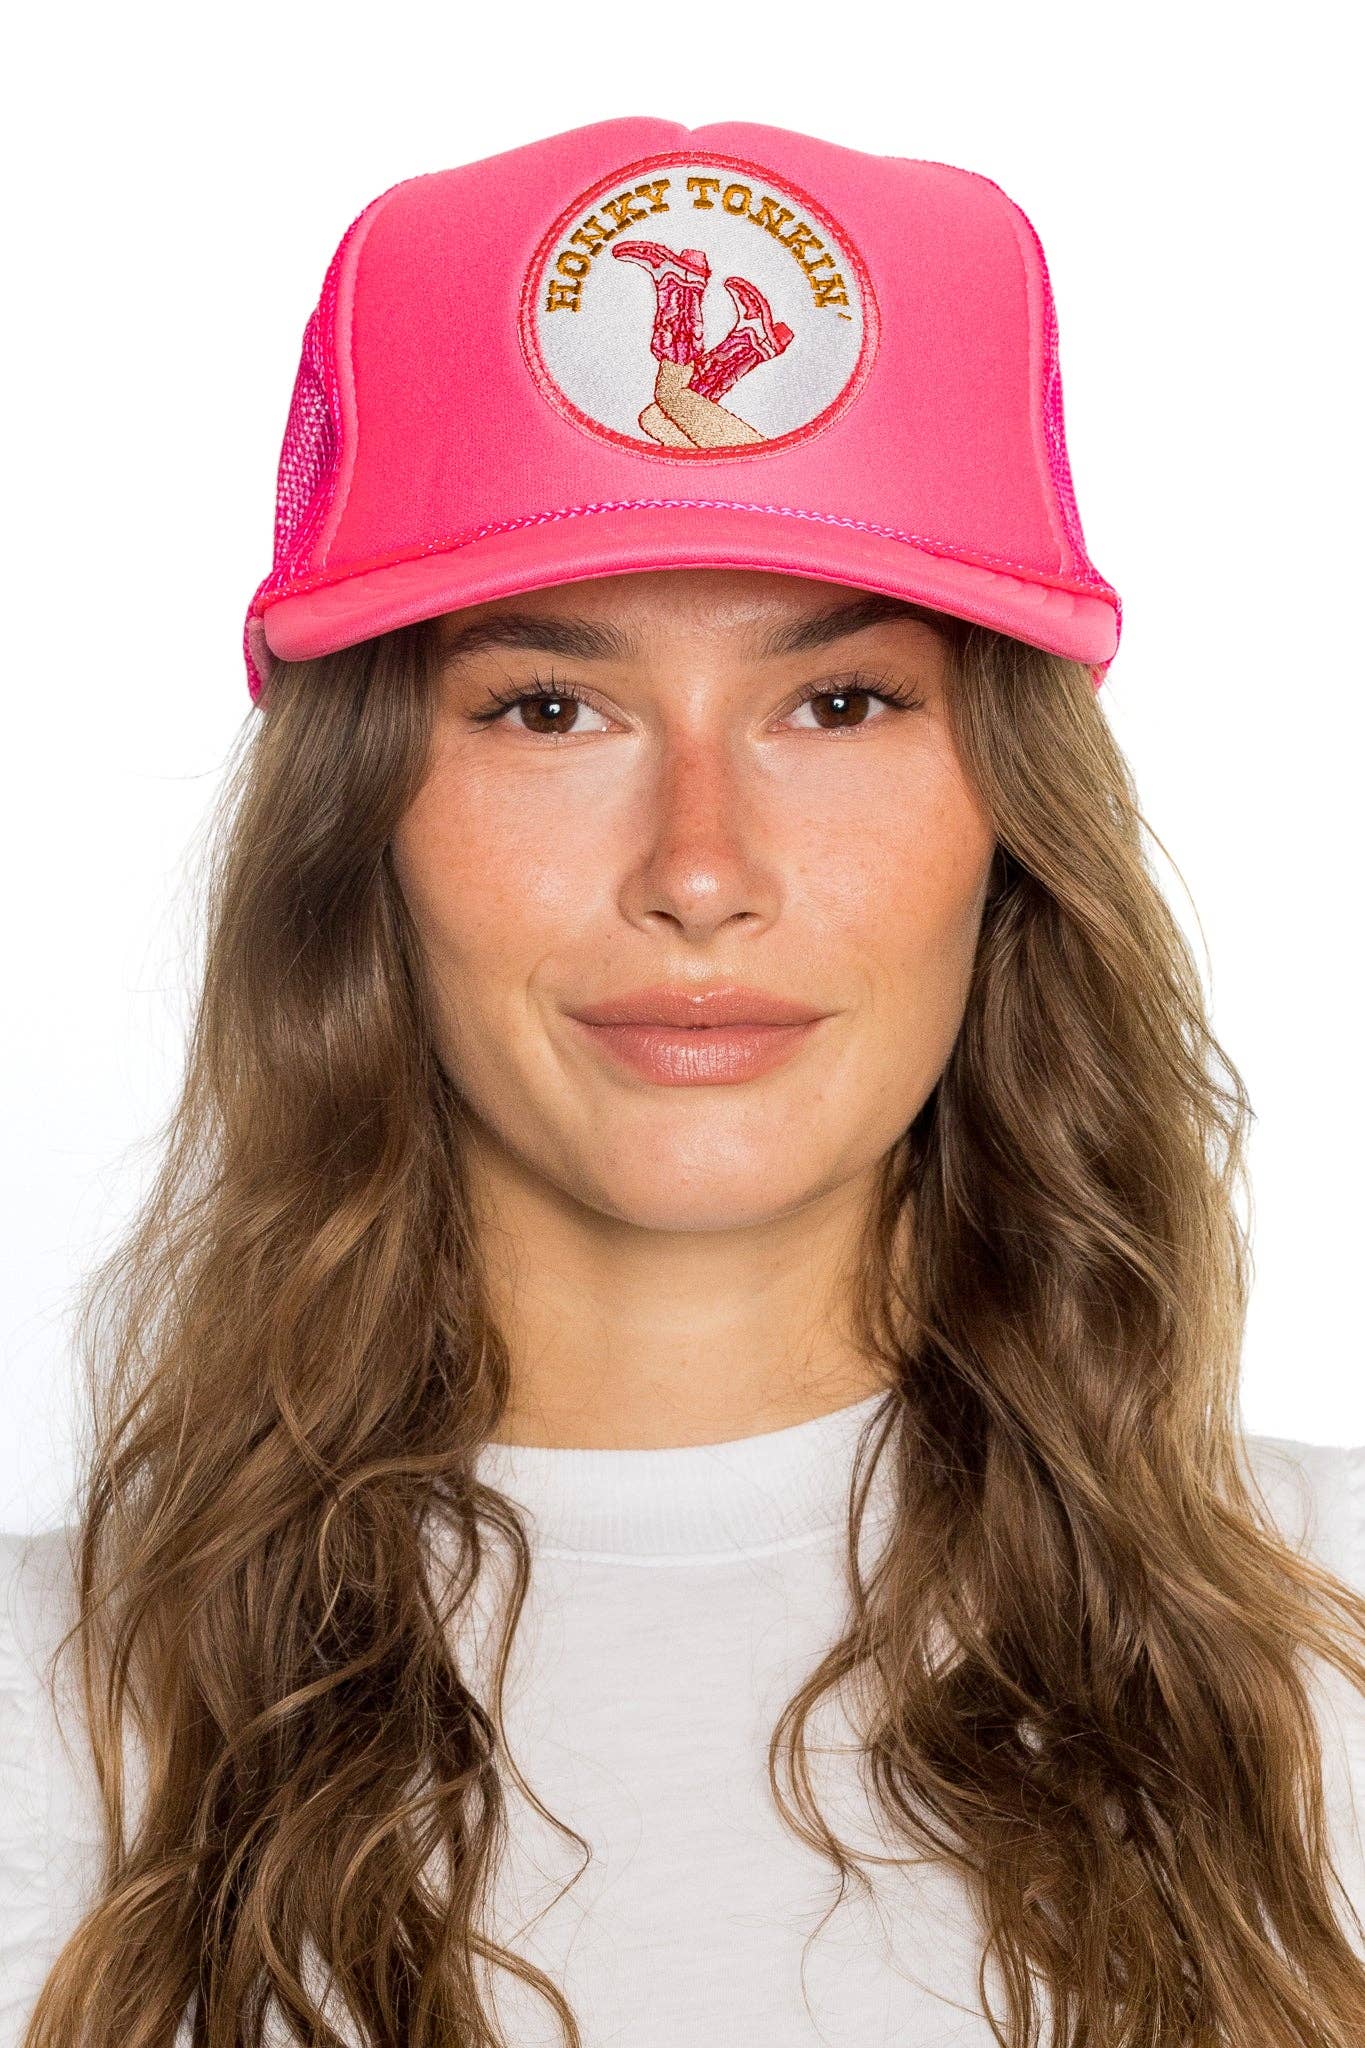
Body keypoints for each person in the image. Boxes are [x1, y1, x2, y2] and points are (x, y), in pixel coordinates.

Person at [3, 115, 1363, 2048]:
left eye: (840, 702)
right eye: (549, 709)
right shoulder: (45, 1729)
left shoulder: (1334, 1649)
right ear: (357, 823)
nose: (701, 870)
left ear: (1012, 817)